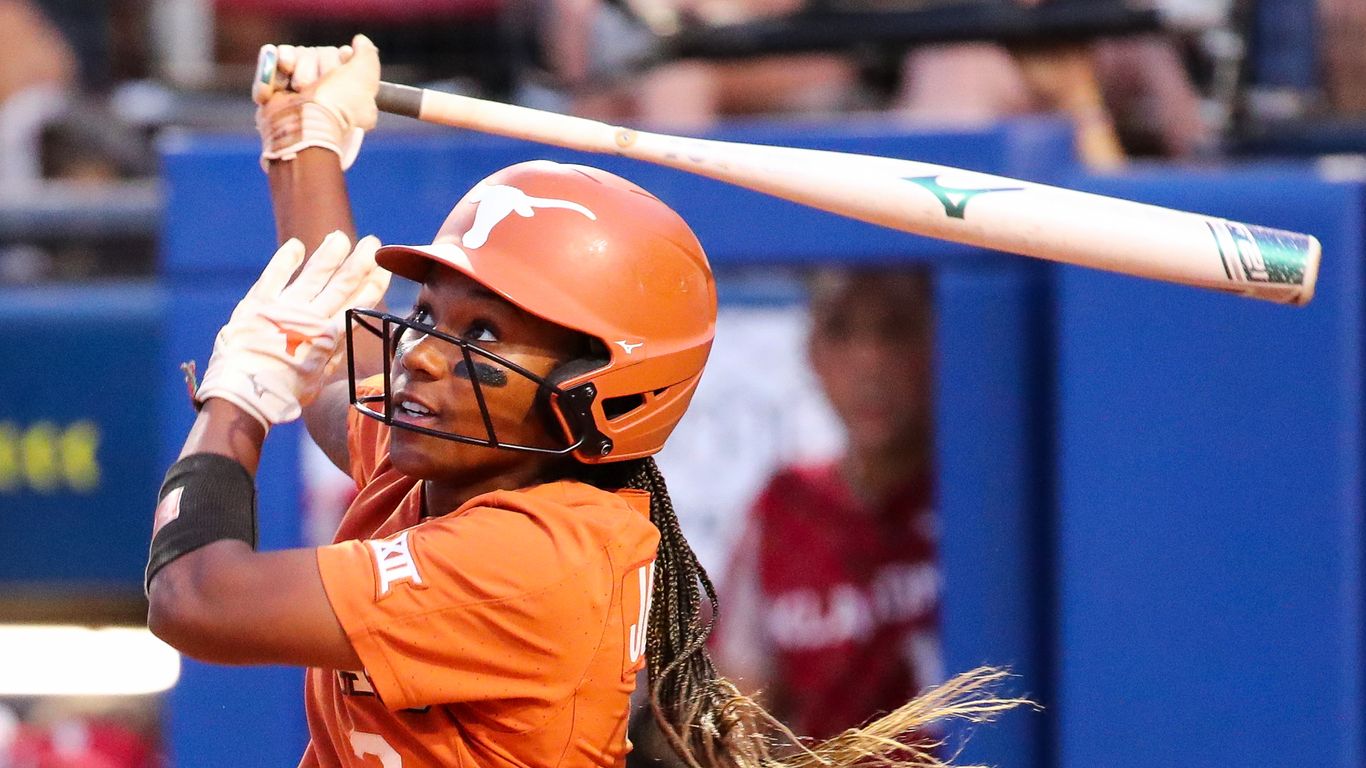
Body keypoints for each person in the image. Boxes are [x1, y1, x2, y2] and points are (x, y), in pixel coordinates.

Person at [144, 35, 1021, 768]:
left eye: (482, 337)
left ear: (592, 394)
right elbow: (330, 346)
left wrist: (235, 405)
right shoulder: (460, 459)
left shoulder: (534, 563)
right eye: (426, 317)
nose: (420, 360)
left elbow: (196, 600)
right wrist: (308, 137)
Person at [711, 269, 940, 741]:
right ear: (813, 354)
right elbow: (741, 714)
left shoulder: (985, 504)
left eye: (895, 330)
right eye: (840, 330)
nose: (869, 361)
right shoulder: (785, 508)